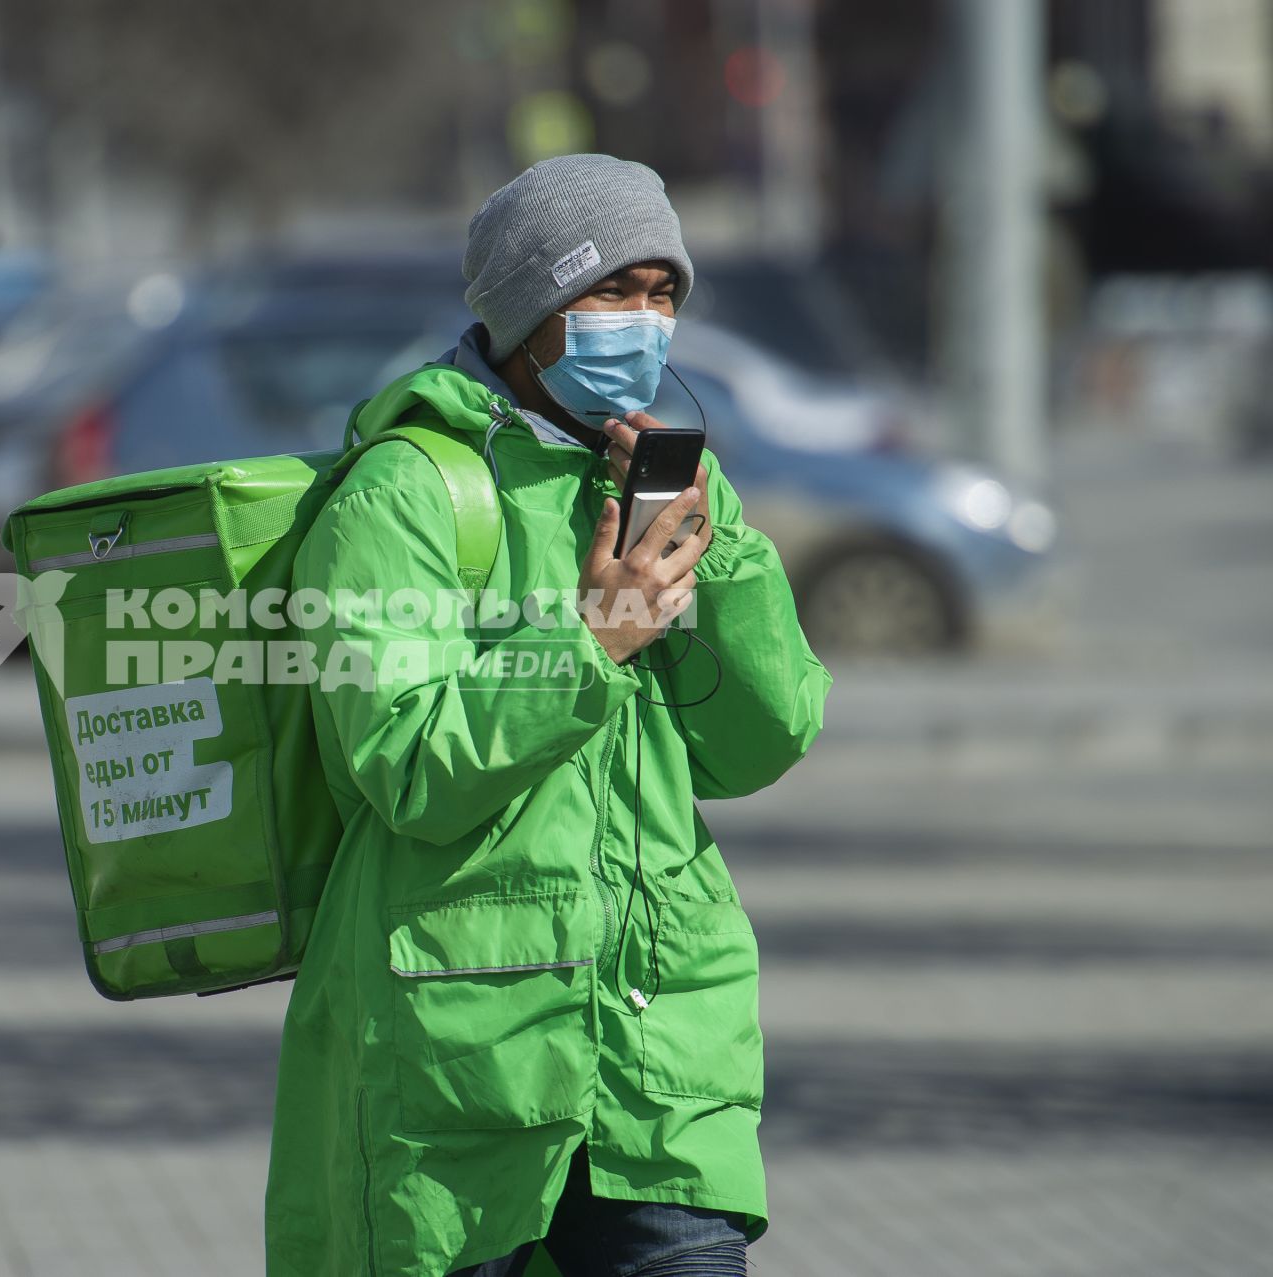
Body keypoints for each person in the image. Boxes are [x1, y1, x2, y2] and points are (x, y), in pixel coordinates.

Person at [265, 154, 832, 1276]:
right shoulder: (404, 494)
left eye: (665, 293)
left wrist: (714, 554)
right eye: (612, 290)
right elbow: (408, 761)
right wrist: (588, 640)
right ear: (529, 312)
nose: (646, 322)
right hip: (464, 1071)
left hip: (661, 1058)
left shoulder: (659, 491)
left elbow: (762, 740)